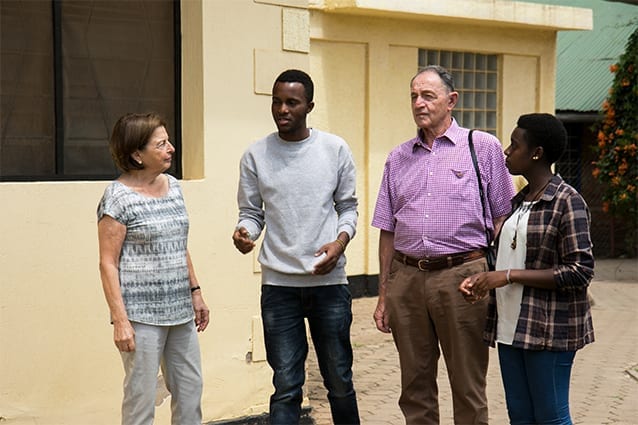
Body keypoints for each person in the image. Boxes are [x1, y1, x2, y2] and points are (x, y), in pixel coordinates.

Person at [371, 65, 515, 424]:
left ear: (451, 101)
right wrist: (384, 294)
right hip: (406, 278)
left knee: (467, 385)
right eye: (414, 96)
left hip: (463, 278)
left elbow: (503, 219)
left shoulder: (482, 147)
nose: (419, 103)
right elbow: (387, 229)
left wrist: (492, 276)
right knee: (414, 387)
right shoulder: (398, 157)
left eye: (428, 96)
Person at [232, 69, 360, 424]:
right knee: (286, 386)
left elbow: (348, 208)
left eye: (292, 102)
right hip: (279, 287)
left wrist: (339, 242)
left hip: (329, 286)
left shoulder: (334, 149)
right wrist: (245, 232)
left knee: (339, 381)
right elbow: (251, 212)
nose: (282, 109)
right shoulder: (256, 155)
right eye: (276, 101)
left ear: (309, 106)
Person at [459, 113, 594, 425]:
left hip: (548, 331)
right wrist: (483, 281)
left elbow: (580, 271)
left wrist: (506, 277)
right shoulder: (519, 202)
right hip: (510, 328)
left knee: (550, 417)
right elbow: (510, 258)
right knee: (520, 417)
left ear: (537, 153)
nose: (507, 151)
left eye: (514, 145)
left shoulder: (567, 202)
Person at [97, 112, 210, 425]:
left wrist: (196, 292)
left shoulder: (173, 187)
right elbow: (108, 262)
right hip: (140, 318)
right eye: (161, 144)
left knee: (190, 393)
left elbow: (179, 244)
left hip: (180, 311)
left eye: (168, 141)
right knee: (140, 401)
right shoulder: (117, 197)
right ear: (137, 154)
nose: (171, 148)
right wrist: (120, 320)